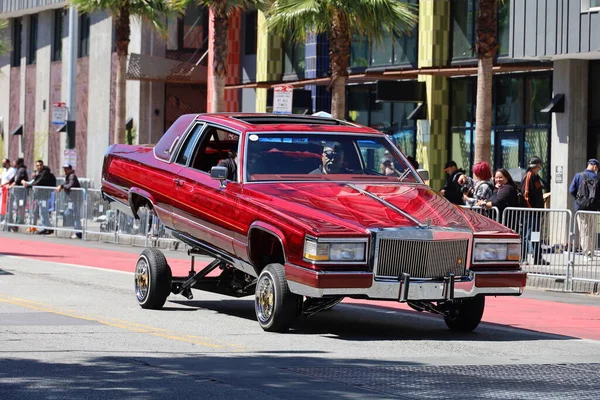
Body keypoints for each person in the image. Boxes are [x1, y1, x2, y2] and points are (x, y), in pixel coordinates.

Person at [568, 158, 600, 259]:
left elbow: (571, 190)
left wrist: (579, 199)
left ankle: (587, 253)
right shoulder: (597, 178)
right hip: (593, 209)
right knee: (592, 230)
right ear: (595, 166)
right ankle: (591, 250)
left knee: (584, 231)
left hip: (581, 208)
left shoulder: (579, 176)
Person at [521, 156, 549, 265]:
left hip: (537, 212)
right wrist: (531, 209)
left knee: (536, 235)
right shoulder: (529, 176)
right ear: (536, 166)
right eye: (539, 165)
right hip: (531, 212)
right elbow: (526, 194)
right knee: (527, 236)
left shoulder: (536, 177)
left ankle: (538, 257)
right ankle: (523, 258)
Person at [22, 160, 56, 234]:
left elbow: (39, 182)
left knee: (43, 212)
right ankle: (45, 227)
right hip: (39, 196)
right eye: (37, 165)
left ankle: (47, 228)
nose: (39, 167)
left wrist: (28, 185)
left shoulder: (44, 173)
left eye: (40, 165)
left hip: (44, 196)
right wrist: (26, 183)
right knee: (39, 212)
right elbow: (34, 181)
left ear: (43, 165)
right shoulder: (39, 173)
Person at [56, 163, 82, 239]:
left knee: (75, 216)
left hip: (76, 199)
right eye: (64, 168)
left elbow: (70, 185)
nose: (65, 170)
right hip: (72, 199)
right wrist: (61, 186)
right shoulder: (69, 176)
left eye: (66, 168)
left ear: (70, 169)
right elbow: (65, 184)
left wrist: (62, 186)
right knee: (69, 213)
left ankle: (78, 232)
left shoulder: (72, 176)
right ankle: (78, 230)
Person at [7, 158, 28, 231]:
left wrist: (10, 186)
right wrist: (5, 184)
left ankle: (20, 221)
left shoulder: (21, 170)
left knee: (20, 206)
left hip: (21, 193)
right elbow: (12, 180)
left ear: (17, 163)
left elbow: (17, 180)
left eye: (14, 162)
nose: (13, 163)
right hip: (17, 193)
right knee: (17, 207)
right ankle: (17, 221)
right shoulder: (18, 170)